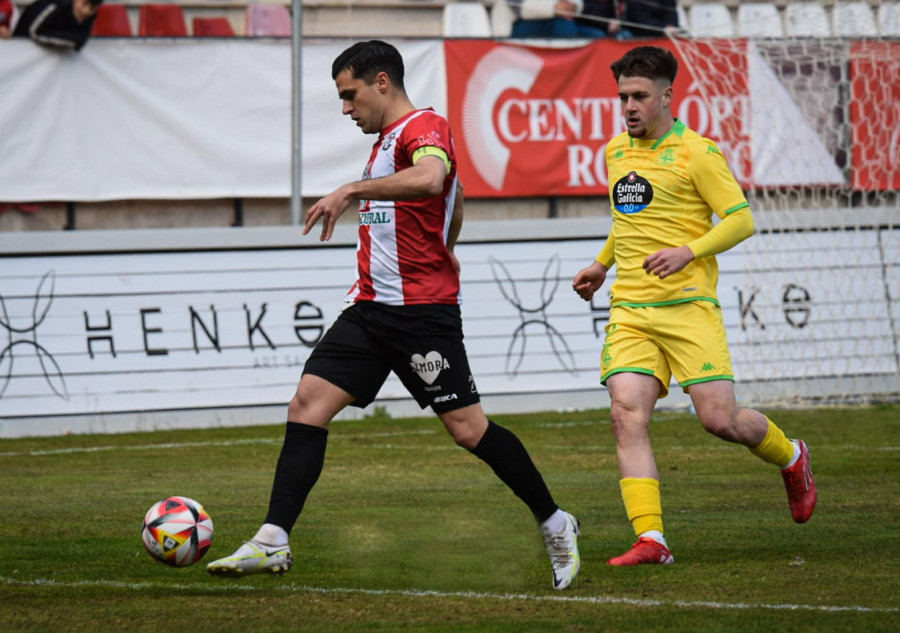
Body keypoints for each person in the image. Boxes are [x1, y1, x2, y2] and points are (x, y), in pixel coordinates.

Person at [206, 40, 581, 590]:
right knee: (307, 405)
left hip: (421, 315)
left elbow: (433, 179)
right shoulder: (385, 142)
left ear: (383, 82)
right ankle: (272, 540)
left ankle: (554, 520)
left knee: (469, 430)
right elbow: (455, 193)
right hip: (369, 308)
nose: (345, 108)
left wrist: (351, 190)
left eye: (349, 94)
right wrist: (448, 238)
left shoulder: (422, 127)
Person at [571, 46, 817, 566]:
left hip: (687, 307)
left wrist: (690, 251)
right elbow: (629, 221)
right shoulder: (616, 151)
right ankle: (652, 540)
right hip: (632, 310)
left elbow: (740, 219)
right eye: (623, 98)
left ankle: (792, 456)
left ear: (666, 95)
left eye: (639, 96)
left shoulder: (697, 153)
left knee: (720, 421)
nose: (630, 107)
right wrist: (601, 264)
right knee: (626, 417)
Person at [13, 0, 102, 51]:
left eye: (93, 8)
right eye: (84, 4)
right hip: (22, 52)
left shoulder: (89, 16)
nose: (86, 11)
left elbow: (81, 38)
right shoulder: (54, 6)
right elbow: (34, 32)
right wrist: (72, 39)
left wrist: (74, 40)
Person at [511, 0, 613, 38]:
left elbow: (577, 3)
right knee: (564, 24)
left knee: (598, 38)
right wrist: (555, 8)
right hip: (519, 23)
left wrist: (573, 6)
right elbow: (518, 7)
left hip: (563, 20)